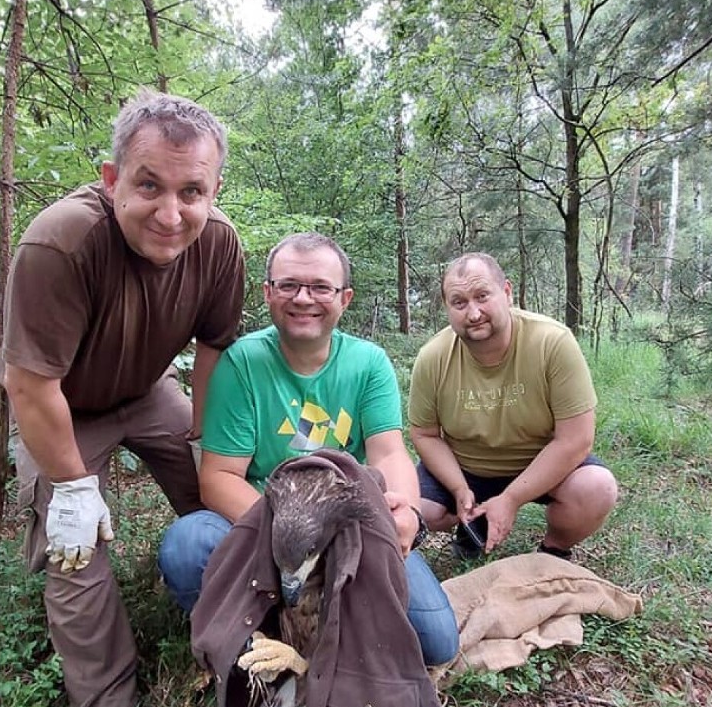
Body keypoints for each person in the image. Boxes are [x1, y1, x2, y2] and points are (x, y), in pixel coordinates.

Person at [0, 89, 245, 707]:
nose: (170, 212)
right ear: (112, 182)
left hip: (148, 389)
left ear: (214, 189)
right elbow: (31, 386)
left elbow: (215, 343)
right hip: (62, 406)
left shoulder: (218, 245)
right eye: (148, 185)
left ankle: (245, 619)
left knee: (217, 489)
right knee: (74, 545)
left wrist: (203, 431)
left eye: (192, 191)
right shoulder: (63, 242)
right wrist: (75, 490)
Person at [158, 232, 459, 666]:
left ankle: (323, 633)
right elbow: (219, 479)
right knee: (188, 546)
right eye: (288, 285)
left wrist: (406, 513)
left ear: (345, 298)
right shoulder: (241, 363)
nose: (304, 299)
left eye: (320, 287)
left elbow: (389, 453)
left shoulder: (369, 363)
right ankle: (253, 649)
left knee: (436, 642)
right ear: (268, 293)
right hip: (264, 521)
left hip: (349, 526)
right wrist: (296, 542)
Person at [409, 252, 617, 559]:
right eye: (459, 302)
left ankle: (554, 550)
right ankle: (472, 525)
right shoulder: (433, 358)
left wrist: (512, 498)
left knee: (596, 488)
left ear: (506, 293)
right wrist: (457, 488)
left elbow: (576, 439)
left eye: (483, 296)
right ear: (447, 308)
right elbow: (424, 434)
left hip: (539, 463)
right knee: (413, 507)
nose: (474, 313)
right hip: (465, 467)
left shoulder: (552, 342)